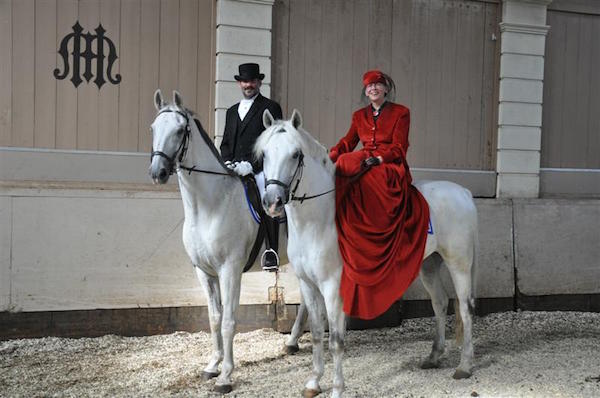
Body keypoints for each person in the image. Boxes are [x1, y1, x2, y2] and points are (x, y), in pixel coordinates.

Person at [329, 70, 430, 319]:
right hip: (365, 158)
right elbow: (347, 143)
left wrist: (381, 158)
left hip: (389, 164)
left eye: (377, 85)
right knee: (342, 163)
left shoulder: (400, 112)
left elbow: (400, 146)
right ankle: (348, 226)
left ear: (385, 89)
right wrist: (326, 157)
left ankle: (374, 232)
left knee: (372, 177)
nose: (373, 89)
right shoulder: (358, 116)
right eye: (369, 86)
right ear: (365, 92)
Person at [220, 63, 283, 271]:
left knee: (268, 197)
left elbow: (274, 143)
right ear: (239, 83)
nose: (249, 85)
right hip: (234, 167)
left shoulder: (270, 107)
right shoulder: (230, 112)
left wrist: (252, 165)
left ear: (259, 82)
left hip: (259, 167)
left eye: (253, 81)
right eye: (245, 81)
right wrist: (227, 161)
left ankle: (271, 251)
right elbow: (226, 143)